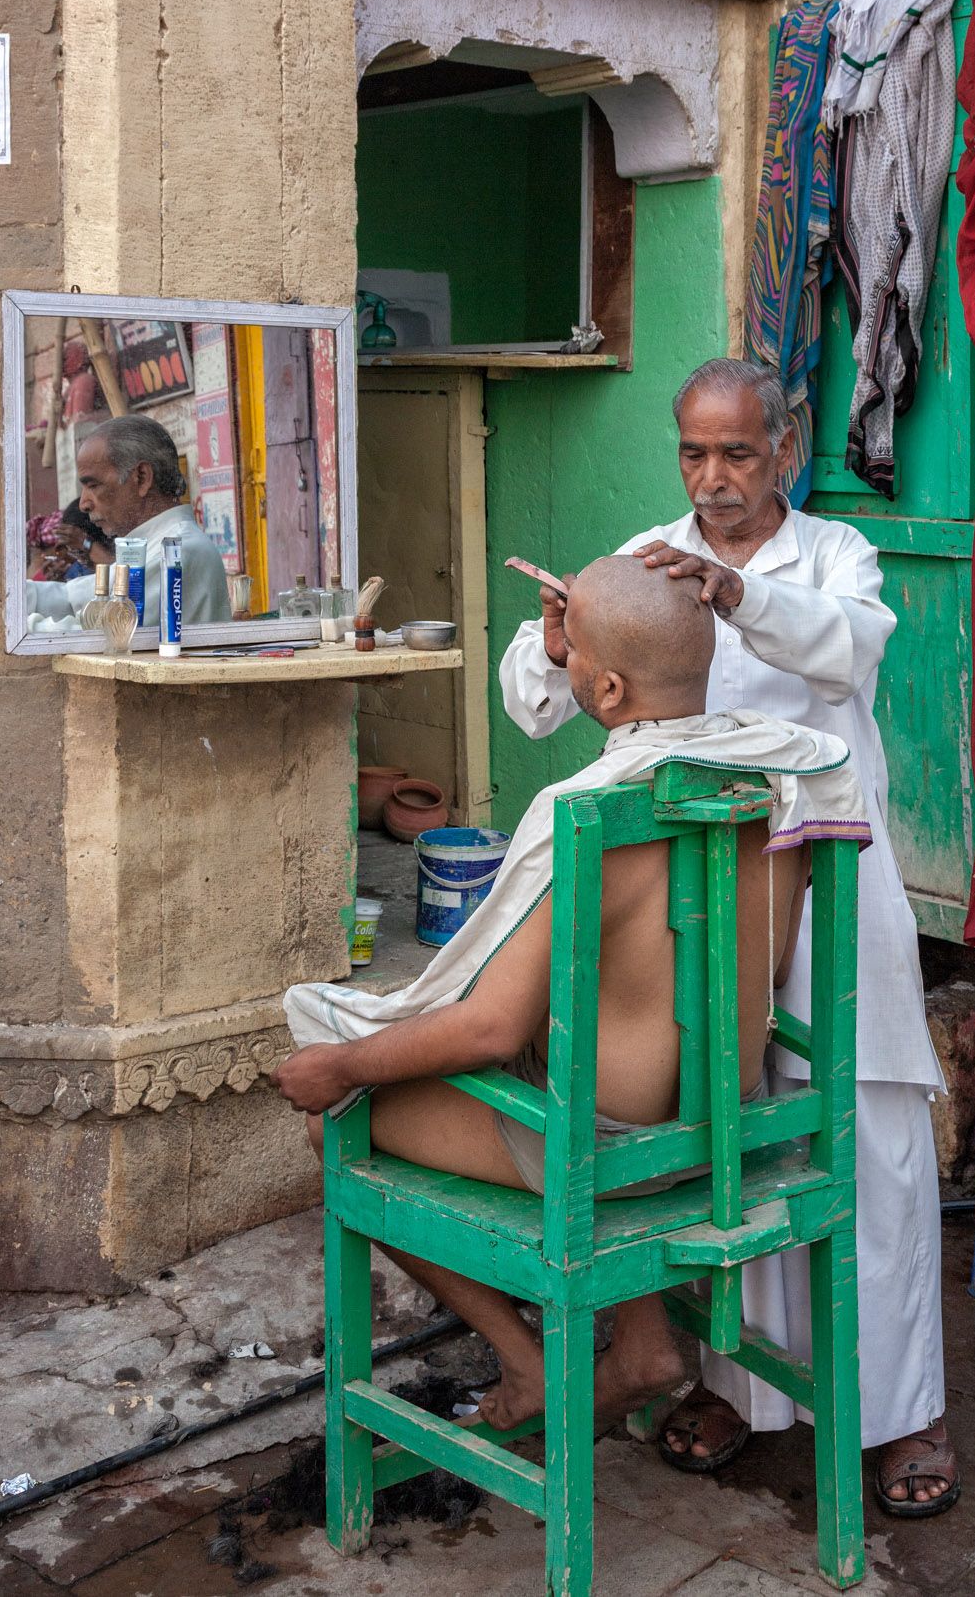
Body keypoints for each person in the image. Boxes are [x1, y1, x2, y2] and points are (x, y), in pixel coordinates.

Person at [499, 358, 958, 1516]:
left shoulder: (834, 557)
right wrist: (557, 638)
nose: (712, 478)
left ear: (785, 450)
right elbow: (535, 701)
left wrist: (735, 593)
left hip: (831, 883)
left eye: (737, 454)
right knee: (727, 1140)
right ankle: (737, 1389)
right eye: (695, 454)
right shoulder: (645, 549)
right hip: (704, 896)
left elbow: (850, 647)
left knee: (868, 1141)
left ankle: (904, 1411)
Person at [274, 556, 869, 1432]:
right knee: (580, 1038)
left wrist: (338, 1064)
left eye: (572, 651)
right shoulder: (777, 778)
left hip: (615, 1154)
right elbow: (770, 975)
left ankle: (526, 1368)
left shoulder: (594, 817)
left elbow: (487, 1025)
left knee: (343, 1117)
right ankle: (641, 1345)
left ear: (607, 685)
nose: (562, 660)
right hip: (733, 1124)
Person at [25, 416, 231, 632]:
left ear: (141, 478)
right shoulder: (151, 546)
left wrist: (9, 626)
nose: (84, 504)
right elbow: (71, 599)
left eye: (93, 485)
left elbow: (100, 633)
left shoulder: (177, 552)